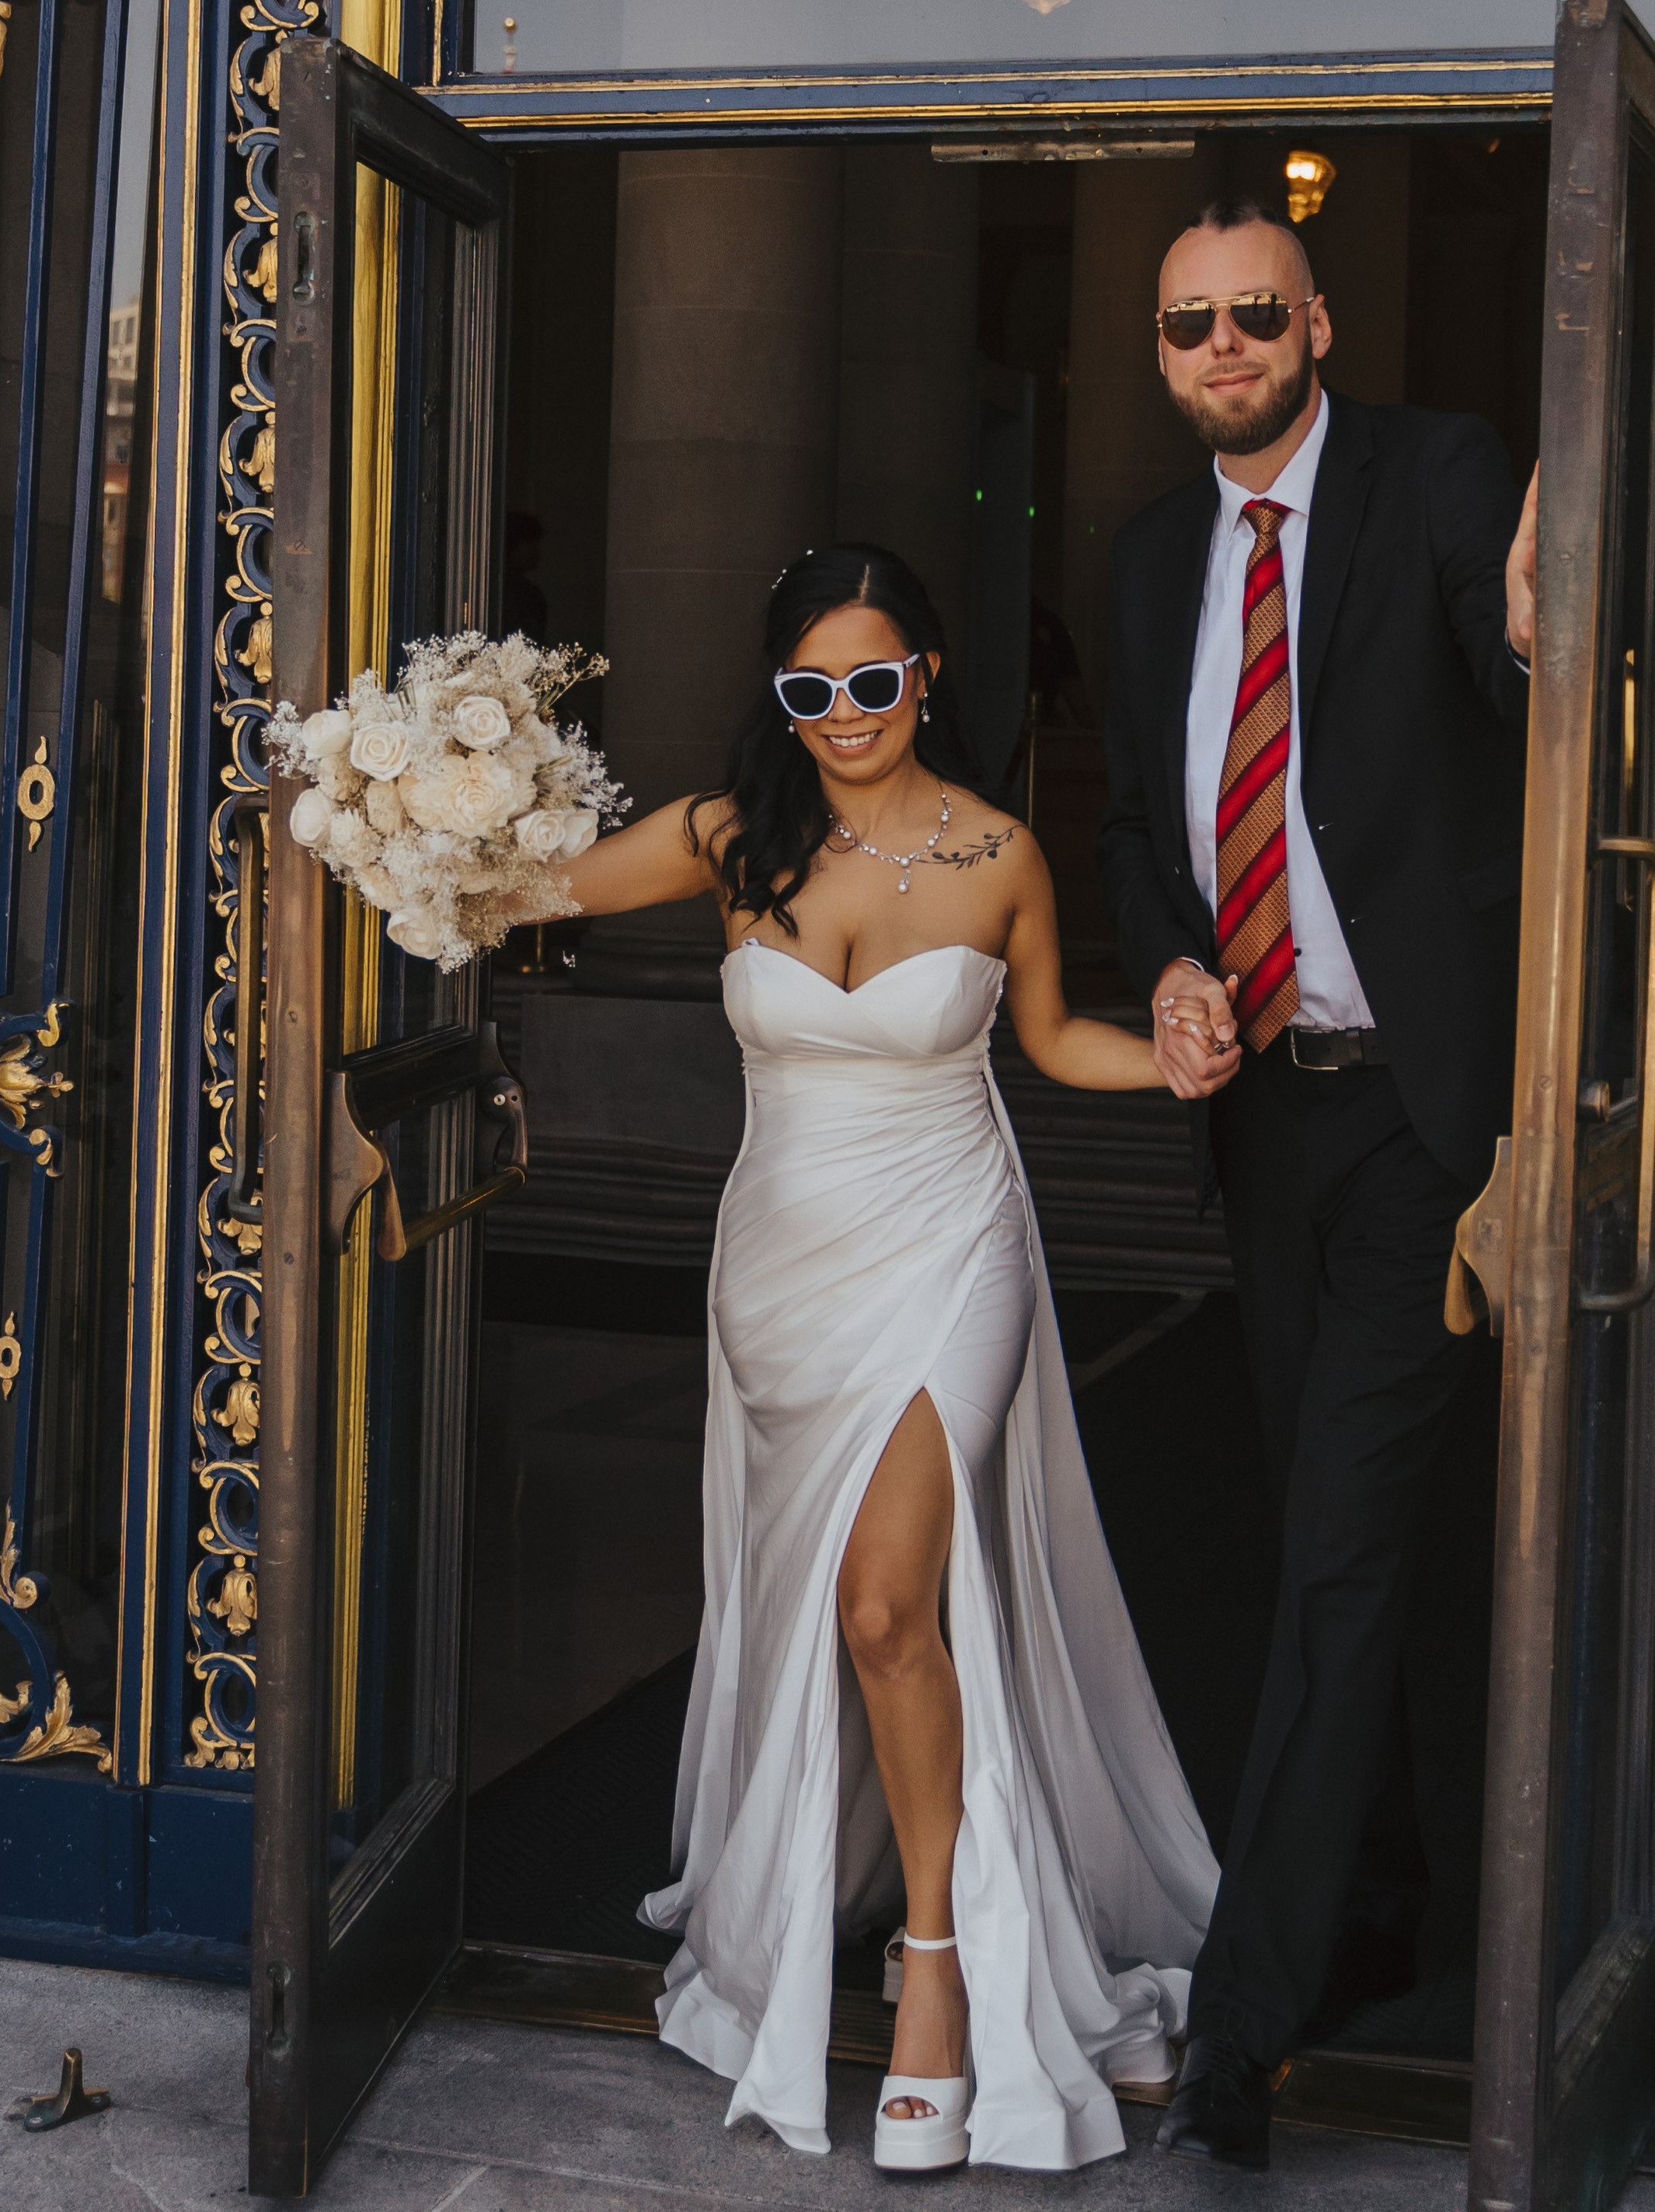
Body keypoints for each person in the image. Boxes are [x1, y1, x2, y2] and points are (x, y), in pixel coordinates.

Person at [549, 544, 1218, 2172]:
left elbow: (1052, 1041)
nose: (840, 716)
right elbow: (527, 887)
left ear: (923, 673)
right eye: (806, 691)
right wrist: (384, 795)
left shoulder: (998, 851)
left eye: (868, 682)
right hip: (781, 1271)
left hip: (949, 1246)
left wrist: (1183, 1061)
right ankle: (851, 1895)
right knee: (819, 1612)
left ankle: (934, 1967)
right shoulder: (729, 837)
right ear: (777, 700)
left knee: (884, 1599)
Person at [1098, 198, 1538, 2171]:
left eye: (1252, 313)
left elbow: (1524, 697)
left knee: (1343, 1550)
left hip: (1420, 1124)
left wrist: (1544, 626)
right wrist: (1178, 967)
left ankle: (1242, 2035)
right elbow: (1133, 825)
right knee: (1317, 1543)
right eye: (1188, 322)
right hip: (1265, 1114)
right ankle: (1373, 1916)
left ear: (1314, 322)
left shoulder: (1436, 476)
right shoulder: (1140, 559)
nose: (1222, 344)